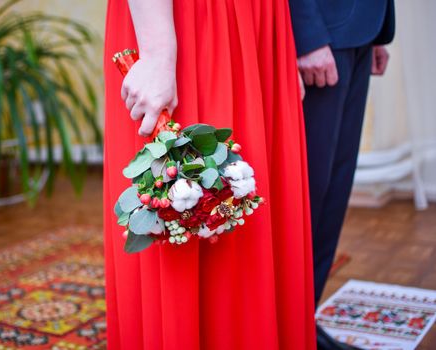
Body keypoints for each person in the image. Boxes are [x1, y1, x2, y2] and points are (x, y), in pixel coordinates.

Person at [104, 0, 316, 349]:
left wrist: (276, 43)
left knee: (255, 222)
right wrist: (158, 54)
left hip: (257, 23)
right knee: (187, 212)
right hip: (191, 23)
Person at [288, 0, 395, 349]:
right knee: (307, 194)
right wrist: (306, 34)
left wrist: (378, 28)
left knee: (334, 189)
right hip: (320, 31)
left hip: (359, 27)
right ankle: (286, 328)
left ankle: (304, 322)